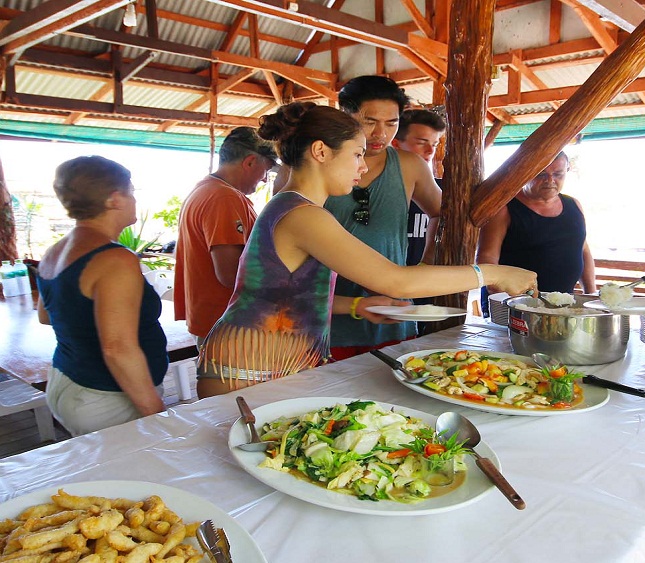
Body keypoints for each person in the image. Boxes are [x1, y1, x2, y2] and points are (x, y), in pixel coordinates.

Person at [196, 102, 536, 398]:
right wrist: (493, 273)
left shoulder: (297, 208)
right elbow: (397, 282)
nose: (363, 165)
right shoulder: (303, 215)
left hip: (273, 366)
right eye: (357, 154)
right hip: (246, 370)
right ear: (320, 152)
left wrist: (358, 305)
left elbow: (284, 293)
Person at [35, 156, 168, 435]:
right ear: (114, 199)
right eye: (131, 192)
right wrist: (156, 414)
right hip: (105, 397)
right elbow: (117, 349)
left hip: (66, 381)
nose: (134, 200)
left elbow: (46, 316)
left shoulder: (55, 251)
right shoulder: (115, 259)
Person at [323, 76, 443, 360]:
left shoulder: (410, 166)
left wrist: (427, 262)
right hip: (326, 322)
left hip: (393, 318)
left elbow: (442, 214)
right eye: (369, 121)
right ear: (345, 114)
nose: (380, 134)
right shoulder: (316, 164)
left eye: (392, 123)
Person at [174, 126, 277, 344]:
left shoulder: (204, 189)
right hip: (228, 324)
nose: (265, 179)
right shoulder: (224, 198)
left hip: (215, 320)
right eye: (265, 170)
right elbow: (230, 274)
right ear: (249, 162)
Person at [477, 151, 597, 296]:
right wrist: (499, 290)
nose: (550, 180)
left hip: (563, 301)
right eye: (541, 174)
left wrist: (590, 294)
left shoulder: (574, 205)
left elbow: (583, 249)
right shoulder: (504, 209)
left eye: (558, 174)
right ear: (526, 172)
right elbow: (487, 258)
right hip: (514, 303)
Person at [392, 108, 447, 266]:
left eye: (434, 144)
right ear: (396, 144)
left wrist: (426, 264)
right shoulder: (368, 186)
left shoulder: (443, 190)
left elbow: (443, 217)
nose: (430, 151)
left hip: (423, 284)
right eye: (421, 143)